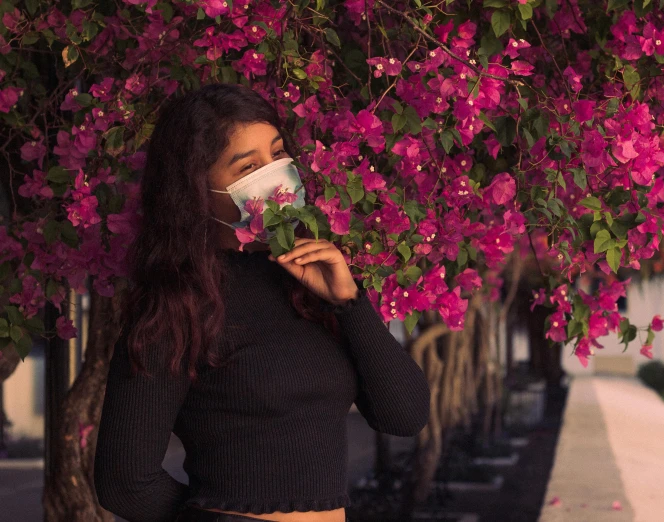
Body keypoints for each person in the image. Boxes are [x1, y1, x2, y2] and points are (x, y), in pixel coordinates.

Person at [93, 83, 431, 522]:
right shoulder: (180, 305)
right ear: (197, 187)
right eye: (248, 166)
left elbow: (404, 417)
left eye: (276, 154)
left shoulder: (309, 285)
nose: (273, 174)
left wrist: (349, 303)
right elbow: (124, 483)